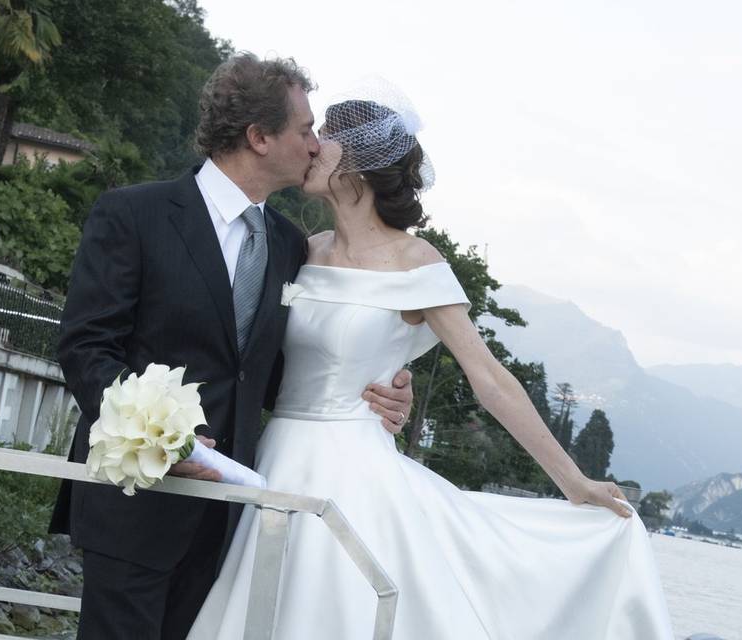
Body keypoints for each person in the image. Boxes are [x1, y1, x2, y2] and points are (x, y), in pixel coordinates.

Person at [188, 91, 674, 639]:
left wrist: (573, 480)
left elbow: (489, 377)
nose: (311, 146)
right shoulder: (302, 249)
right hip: (275, 457)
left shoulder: (417, 262)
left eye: (325, 137)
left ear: (360, 165)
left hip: (357, 472)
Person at [50, 55, 415, 640]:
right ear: (259, 137)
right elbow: (86, 347)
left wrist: (378, 385)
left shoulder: (290, 243)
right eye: (305, 130)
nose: (318, 145)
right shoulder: (134, 214)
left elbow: (278, 370)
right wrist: (159, 439)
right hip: (136, 500)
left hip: (230, 521)